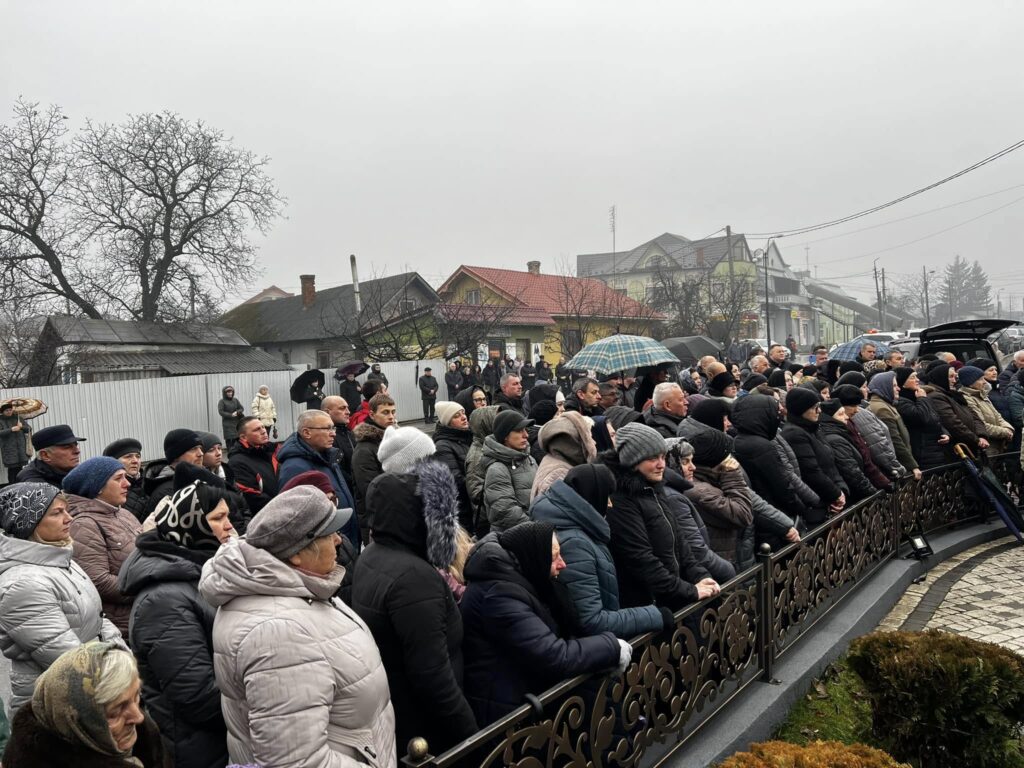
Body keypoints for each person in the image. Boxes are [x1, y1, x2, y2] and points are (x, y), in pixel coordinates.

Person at [199, 487, 397, 767]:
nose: (339, 540)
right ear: (296, 554)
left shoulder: (298, 586)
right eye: (329, 535)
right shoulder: (276, 634)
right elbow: (296, 761)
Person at [352, 459, 478, 754]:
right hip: (428, 730)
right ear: (417, 517)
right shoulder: (414, 579)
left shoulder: (373, 554)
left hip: (400, 711)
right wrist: (472, 736)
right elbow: (433, 677)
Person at [117, 475, 240, 768]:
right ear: (189, 523)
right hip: (197, 747)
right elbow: (197, 697)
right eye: (218, 518)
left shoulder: (203, 573)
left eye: (228, 516)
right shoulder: (164, 600)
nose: (230, 526)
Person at [459, 521, 626, 726]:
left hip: (528, 701)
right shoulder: (499, 595)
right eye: (555, 556)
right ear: (534, 557)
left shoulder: (516, 580)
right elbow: (555, 656)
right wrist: (611, 647)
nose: (563, 563)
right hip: (511, 719)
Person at [0, 482, 124, 712]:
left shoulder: (60, 558)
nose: (69, 518)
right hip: (58, 705)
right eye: (57, 513)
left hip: (90, 690)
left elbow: (98, 620)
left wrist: (121, 655)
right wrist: (117, 679)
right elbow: (68, 658)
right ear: (29, 523)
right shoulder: (22, 585)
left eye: (66, 510)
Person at [531, 464, 667, 638]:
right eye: (607, 497)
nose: (610, 504)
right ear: (592, 496)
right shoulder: (574, 543)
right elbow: (591, 621)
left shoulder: (578, 527)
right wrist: (655, 615)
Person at [601, 422, 721, 610]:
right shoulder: (620, 500)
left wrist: (700, 575)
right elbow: (640, 559)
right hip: (652, 604)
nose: (661, 464)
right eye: (652, 458)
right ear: (633, 461)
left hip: (675, 596)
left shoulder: (653, 488)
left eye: (663, 456)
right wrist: (689, 590)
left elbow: (678, 540)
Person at [2, 642, 167, 767]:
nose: (138, 717)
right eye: (116, 711)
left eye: (136, 696)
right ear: (77, 721)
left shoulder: (145, 741)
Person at [63, 457, 141, 638]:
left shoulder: (123, 513)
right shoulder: (84, 524)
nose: (127, 483)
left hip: (142, 614)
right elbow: (98, 582)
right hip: (121, 627)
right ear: (96, 487)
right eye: (118, 478)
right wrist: (148, 587)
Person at [276, 409, 359, 548]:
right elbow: (297, 521)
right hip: (325, 546)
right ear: (307, 432)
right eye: (327, 428)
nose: (333, 433)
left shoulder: (328, 457)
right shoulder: (295, 468)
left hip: (344, 539)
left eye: (333, 428)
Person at [683, 429, 754, 569]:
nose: (731, 459)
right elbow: (743, 515)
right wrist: (732, 475)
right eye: (727, 455)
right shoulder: (701, 492)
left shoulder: (709, 478)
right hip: (722, 564)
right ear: (717, 460)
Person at [781, 388, 846, 525]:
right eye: (815, 408)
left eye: (819, 407)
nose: (819, 411)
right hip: (822, 503)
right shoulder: (795, 433)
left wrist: (841, 489)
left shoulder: (812, 428)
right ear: (801, 409)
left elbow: (831, 464)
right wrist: (835, 494)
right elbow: (811, 471)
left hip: (833, 495)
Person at [480, 410, 538, 532]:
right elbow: (505, 512)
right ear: (505, 435)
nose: (526, 435)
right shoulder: (497, 469)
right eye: (519, 430)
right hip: (514, 537)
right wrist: (539, 530)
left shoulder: (529, 458)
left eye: (525, 430)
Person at [352, 392, 398, 544]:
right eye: (385, 412)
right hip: (377, 522)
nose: (391, 417)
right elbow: (371, 490)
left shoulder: (392, 440)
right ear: (372, 414)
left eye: (393, 412)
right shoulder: (365, 449)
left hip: (396, 515)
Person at [818, 400, 886, 502]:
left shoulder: (840, 432)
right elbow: (851, 471)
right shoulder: (835, 439)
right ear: (829, 418)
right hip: (855, 496)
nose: (846, 417)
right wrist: (872, 492)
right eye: (841, 414)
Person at [923, 364, 988, 457]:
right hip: (960, 448)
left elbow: (974, 416)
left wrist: (982, 435)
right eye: (951, 377)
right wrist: (976, 440)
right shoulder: (936, 397)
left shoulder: (953, 394)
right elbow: (953, 423)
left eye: (955, 377)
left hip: (971, 445)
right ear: (941, 377)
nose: (954, 380)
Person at [867, 371, 921, 480]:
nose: (898, 388)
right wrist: (912, 466)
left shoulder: (886, 405)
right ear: (884, 387)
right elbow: (895, 440)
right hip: (899, 467)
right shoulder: (882, 409)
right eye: (894, 386)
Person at [531, 410, 597, 498]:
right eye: (588, 438)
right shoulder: (559, 474)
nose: (594, 442)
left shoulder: (558, 460)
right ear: (573, 441)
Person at [893, 367, 949, 470]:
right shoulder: (901, 402)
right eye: (913, 377)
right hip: (923, 451)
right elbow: (922, 417)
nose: (917, 380)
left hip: (936, 448)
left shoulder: (919, 396)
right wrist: (922, 399)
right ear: (903, 382)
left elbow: (935, 418)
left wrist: (945, 433)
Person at [433, 401, 475, 531]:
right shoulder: (442, 446)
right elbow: (456, 482)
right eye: (456, 416)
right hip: (463, 512)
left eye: (463, 413)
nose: (463, 417)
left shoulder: (468, 437)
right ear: (447, 421)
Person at [143, 429, 205, 514]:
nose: (201, 453)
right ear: (176, 455)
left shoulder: (202, 480)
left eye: (200, 448)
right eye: (193, 449)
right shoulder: (167, 493)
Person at [227, 416, 279, 515]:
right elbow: (251, 497)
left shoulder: (274, 451)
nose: (263, 431)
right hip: (267, 516)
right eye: (257, 430)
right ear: (243, 437)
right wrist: (282, 506)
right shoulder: (237, 462)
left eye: (263, 427)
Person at [957, 365, 1014, 455]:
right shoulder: (967, 398)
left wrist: (1008, 428)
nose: (984, 382)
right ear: (970, 382)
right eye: (980, 379)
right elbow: (981, 424)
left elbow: (997, 416)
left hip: (998, 444)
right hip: (988, 447)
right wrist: (1005, 432)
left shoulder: (982, 394)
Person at [465, 404, 505, 531]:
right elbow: (477, 494)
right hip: (488, 523)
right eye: (497, 421)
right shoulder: (477, 456)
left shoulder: (493, 446)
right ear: (486, 424)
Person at [16, 424, 85, 487]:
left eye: (75, 445)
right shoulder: (32, 482)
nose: (77, 451)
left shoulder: (74, 470)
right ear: (45, 455)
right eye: (67, 447)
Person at [104, 438, 148, 521]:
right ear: (114, 461)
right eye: (128, 457)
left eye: (138, 456)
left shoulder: (150, 482)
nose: (135, 461)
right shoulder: (110, 492)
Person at [322, 395, 356, 488]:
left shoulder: (350, 434)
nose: (348, 412)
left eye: (348, 408)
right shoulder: (323, 439)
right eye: (342, 408)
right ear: (327, 412)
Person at [0, 402, 32, 483]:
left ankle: (20, 486)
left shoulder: (18, 418)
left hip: (20, 447)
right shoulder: (1, 420)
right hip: (8, 448)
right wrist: (11, 429)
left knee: (20, 468)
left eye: (10, 410)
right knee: (12, 469)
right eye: (6, 410)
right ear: (2, 412)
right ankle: (11, 486)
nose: (9, 412)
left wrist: (22, 427)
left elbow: (29, 429)